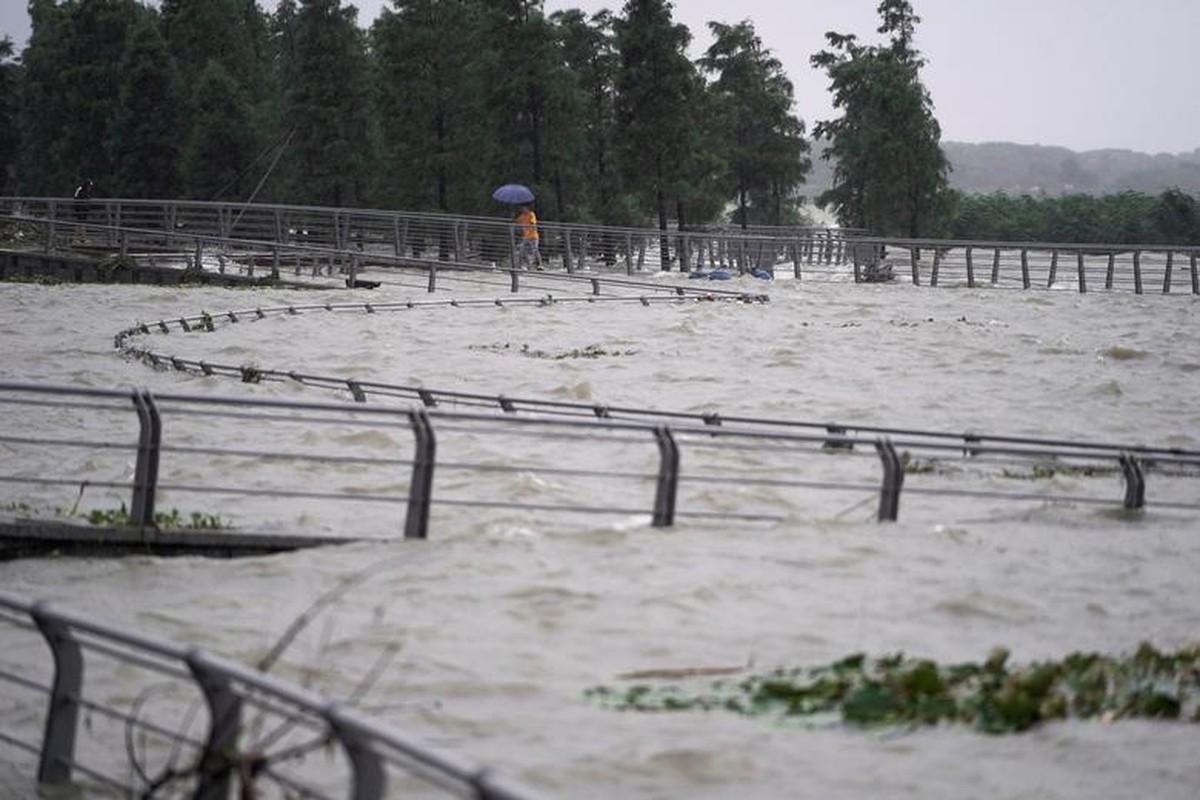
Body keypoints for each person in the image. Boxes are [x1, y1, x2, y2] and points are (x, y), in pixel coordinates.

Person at [515, 204, 542, 270]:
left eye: (524, 208)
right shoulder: (522, 215)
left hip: (533, 236)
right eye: (522, 208)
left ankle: (539, 265)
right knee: (522, 250)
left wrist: (528, 228)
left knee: (535, 250)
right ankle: (520, 265)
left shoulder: (531, 214)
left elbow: (533, 223)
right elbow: (517, 221)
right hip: (526, 236)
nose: (523, 209)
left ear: (527, 208)